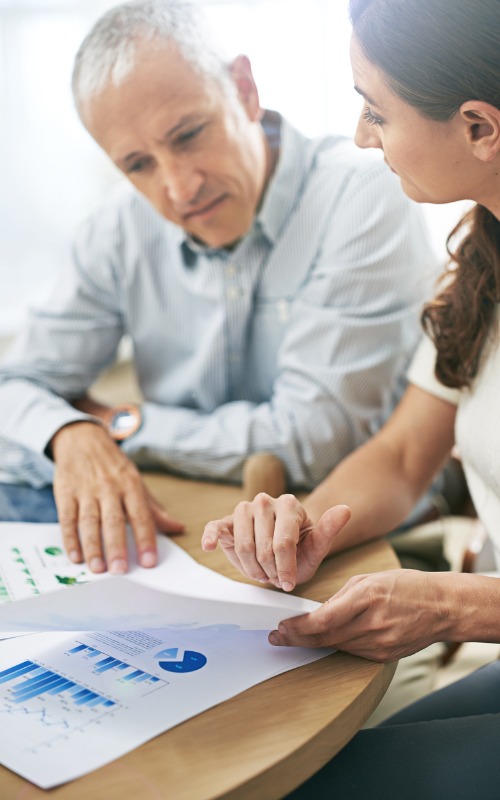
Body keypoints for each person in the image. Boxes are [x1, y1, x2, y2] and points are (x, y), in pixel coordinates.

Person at [0, 0, 438, 575]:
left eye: (187, 135)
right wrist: (70, 431)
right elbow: (15, 385)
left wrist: (120, 424)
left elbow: (310, 444)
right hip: (190, 538)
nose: (178, 188)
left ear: (244, 89)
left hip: (358, 549)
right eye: (138, 164)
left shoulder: (362, 195)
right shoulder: (117, 228)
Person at [202, 0, 500, 795]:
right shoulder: (484, 259)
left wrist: (458, 608)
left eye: (376, 111)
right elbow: (405, 453)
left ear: (480, 126)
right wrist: (309, 524)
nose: (362, 136)